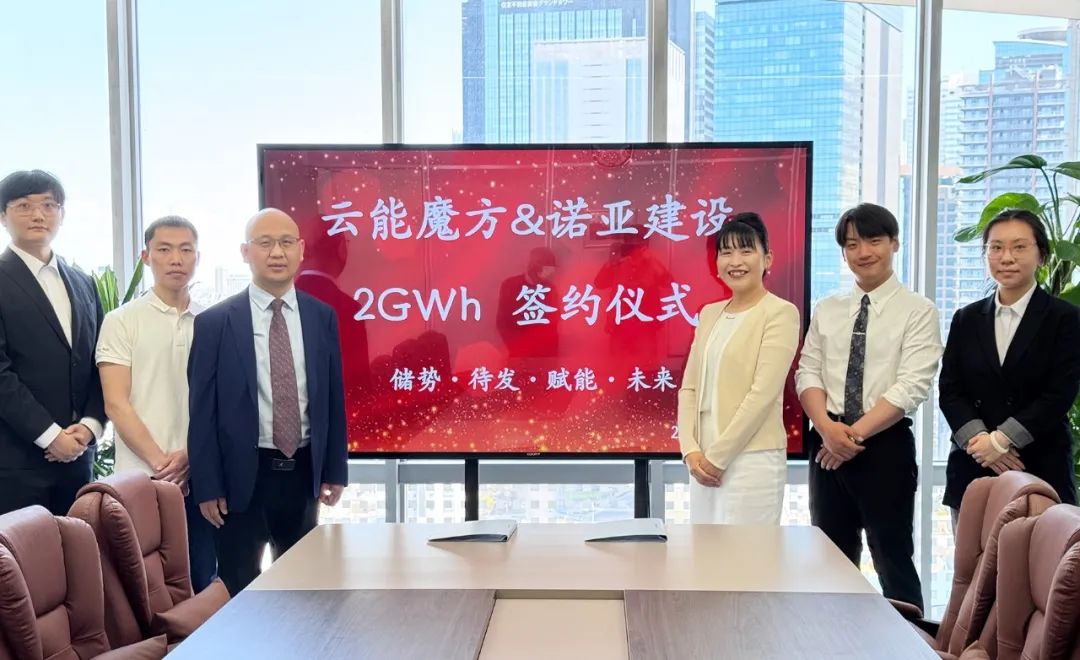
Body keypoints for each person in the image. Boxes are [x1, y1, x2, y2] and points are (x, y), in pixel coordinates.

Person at [187, 208, 348, 595]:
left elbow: (331, 397)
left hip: (302, 473)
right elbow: (201, 412)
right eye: (265, 243)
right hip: (241, 477)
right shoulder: (214, 323)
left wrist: (335, 469)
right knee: (238, 588)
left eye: (286, 242)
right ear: (246, 252)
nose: (277, 252)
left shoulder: (321, 317)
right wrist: (207, 484)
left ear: (301, 250)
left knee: (302, 589)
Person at [795, 202, 942, 613]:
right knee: (830, 560)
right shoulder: (828, 308)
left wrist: (852, 436)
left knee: (892, 559)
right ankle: (833, 640)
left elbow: (912, 385)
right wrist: (827, 429)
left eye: (874, 241)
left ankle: (912, 643)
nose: (863, 252)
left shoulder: (918, 311)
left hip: (884, 445)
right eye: (852, 244)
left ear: (894, 243)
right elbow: (807, 373)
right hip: (826, 445)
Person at [96, 215, 217, 591]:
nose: (176, 259)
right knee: (145, 590)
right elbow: (116, 404)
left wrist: (190, 456)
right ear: (146, 257)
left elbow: (223, 402)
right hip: (141, 478)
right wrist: (164, 466)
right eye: (164, 249)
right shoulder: (121, 321)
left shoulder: (213, 321)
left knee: (203, 582)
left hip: (203, 477)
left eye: (186, 250)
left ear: (198, 257)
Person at [940, 209, 1080, 521]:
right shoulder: (966, 318)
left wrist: (1001, 441)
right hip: (973, 465)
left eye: (1019, 247)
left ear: (1041, 255)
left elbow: (1059, 393)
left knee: (1038, 553)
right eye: (996, 247)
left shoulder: (1064, 318)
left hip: (1039, 466)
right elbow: (950, 390)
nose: (1006, 258)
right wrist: (982, 444)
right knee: (971, 554)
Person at [677, 212, 800, 524]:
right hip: (702, 463)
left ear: (767, 259)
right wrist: (690, 451)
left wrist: (718, 458)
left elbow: (762, 394)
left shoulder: (780, 313)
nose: (735, 261)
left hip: (752, 461)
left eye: (746, 251)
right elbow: (689, 388)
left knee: (748, 553)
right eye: (726, 252)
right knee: (704, 551)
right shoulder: (709, 313)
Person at [0, 170, 105, 516]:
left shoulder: (84, 283)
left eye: (49, 205)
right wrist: (49, 435)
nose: (38, 214)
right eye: (24, 205)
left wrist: (90, 427)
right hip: (15, 464)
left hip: (79, 460)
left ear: (62, 214)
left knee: (81, 549)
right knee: (22, 552)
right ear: (2, 216)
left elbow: (101, 361)